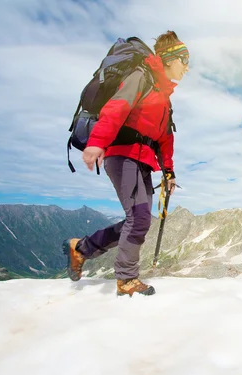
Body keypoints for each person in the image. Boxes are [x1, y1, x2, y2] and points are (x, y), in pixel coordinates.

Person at [62, 31, 189, 297]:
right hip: (122, 154)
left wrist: (168, 172)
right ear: (167, 59)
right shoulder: (141, 77)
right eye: (183, 58)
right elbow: (117, 107)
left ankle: (81, 248)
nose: (187, 66)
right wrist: (96, 142)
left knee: (138, 219)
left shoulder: (163, 97)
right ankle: (127, 279)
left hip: (143, 161)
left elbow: (165, 138)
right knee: (139, 218)